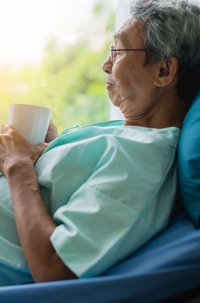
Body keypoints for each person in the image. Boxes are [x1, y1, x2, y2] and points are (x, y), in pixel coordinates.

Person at [0, 0, 200, 286]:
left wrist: (18, 166)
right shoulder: (129, 134)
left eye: (118, 51)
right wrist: (52, 150)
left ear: (164, 72)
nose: (106, 65)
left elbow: (55, 268)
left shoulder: (142, 159)